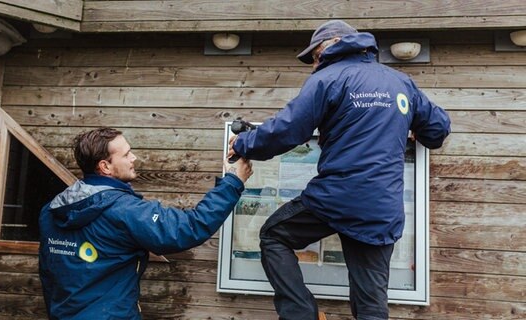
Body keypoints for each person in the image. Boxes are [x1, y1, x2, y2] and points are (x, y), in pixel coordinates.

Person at [228, 20, 451, 320]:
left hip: (335, 198)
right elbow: (437, 129)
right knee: (371, 305)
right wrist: (412, 128)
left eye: (315, 56)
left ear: (331, 45)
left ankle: (302, 314)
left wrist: (243, 144)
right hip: (380, 208)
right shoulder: (400, 82)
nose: (314, 65)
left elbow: (286, 130)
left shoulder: (327, 79)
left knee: (273, 237)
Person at [39, 127, 252, 319]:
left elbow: (48, 275)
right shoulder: (124, 210)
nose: (134, 157)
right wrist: (232, 183)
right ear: (105, 166)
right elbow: (189, 228)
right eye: (126, 154)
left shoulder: (50, 211)